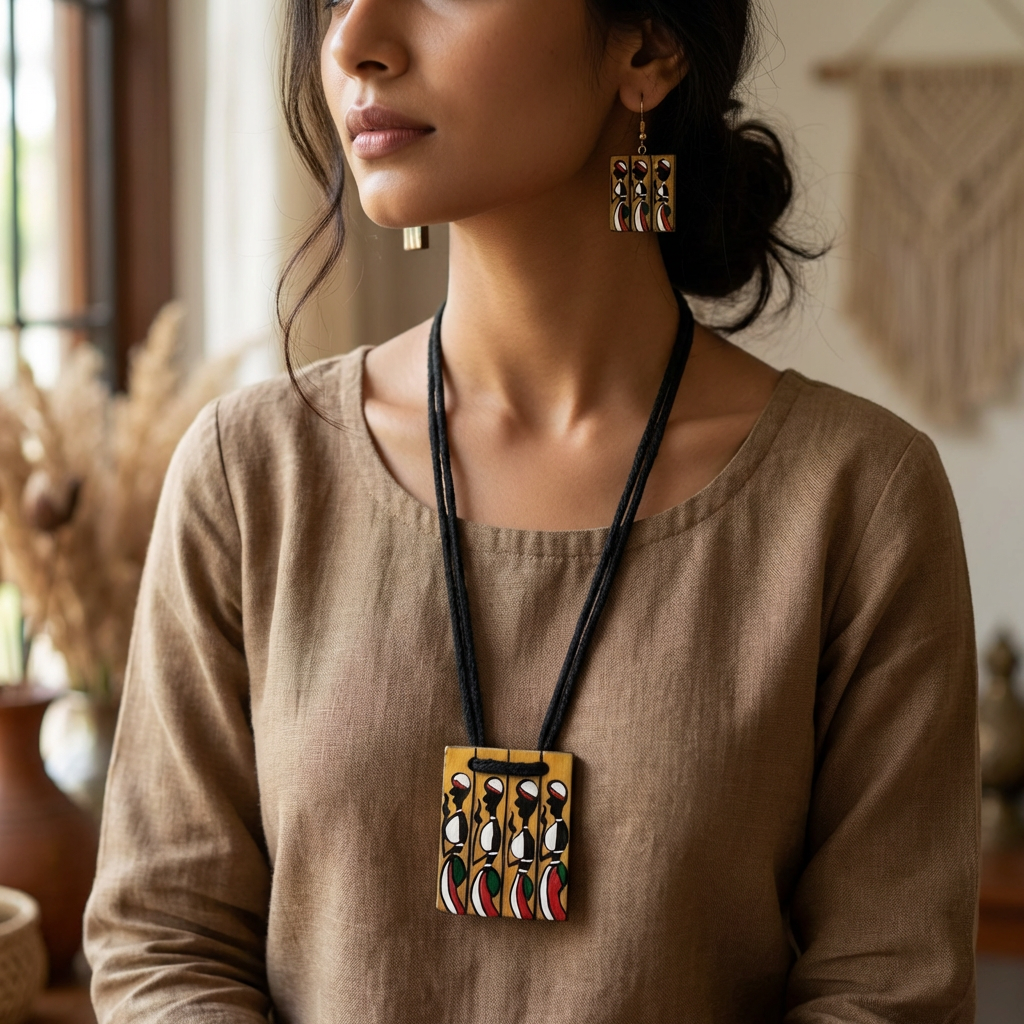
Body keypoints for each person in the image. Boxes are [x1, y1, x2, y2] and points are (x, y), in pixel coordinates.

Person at [84, 1, 979, 1021]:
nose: (351, 42)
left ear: (645, 46)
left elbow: (887, 990)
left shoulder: (855, 503)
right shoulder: (252, 478)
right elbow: (165, 942)